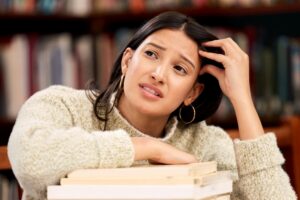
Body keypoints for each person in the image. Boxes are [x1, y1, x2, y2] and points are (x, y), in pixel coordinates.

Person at [8, 11, 296, 200]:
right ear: (126, 61)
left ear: (192, 93)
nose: (158, 74)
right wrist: (148, 148)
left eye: (180, 69)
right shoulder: (61, 105)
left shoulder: (204, 143)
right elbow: (31, 163)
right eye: (151, 54)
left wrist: (242, 99)